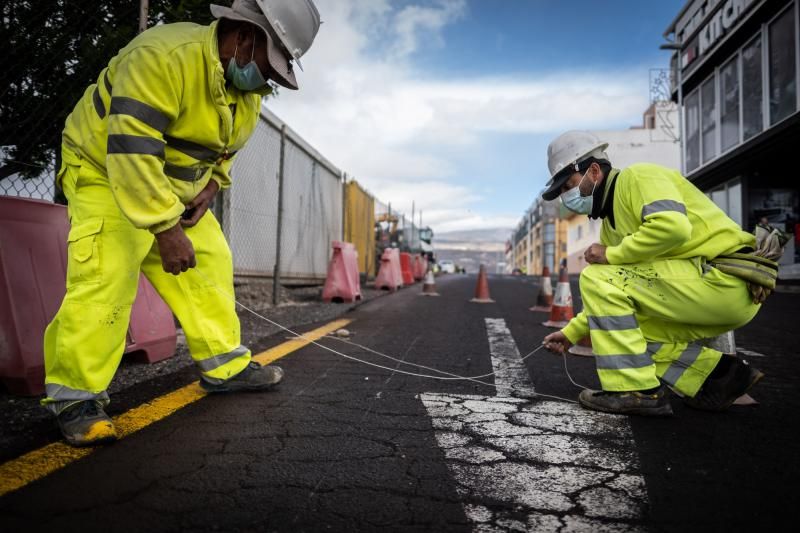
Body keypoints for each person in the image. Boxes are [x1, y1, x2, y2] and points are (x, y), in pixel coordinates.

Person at [43, 0, 321, 446]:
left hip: (171, 187)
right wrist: (166, 229)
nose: (268, 78)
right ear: (246, 37)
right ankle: (75, 398)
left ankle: (224, 365)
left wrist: (211, 188)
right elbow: (131, 148)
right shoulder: (162, 56)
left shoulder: (243, 93)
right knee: (107, 273)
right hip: (105, 170)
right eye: (270, 65)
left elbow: (224, 151)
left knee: (210, 260)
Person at [541, 130, 768, 416]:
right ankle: (718, 378)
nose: (566, 197)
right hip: (708, 292)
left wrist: (610, 255)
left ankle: (637, 392)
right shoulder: (610, 225)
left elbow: (672, 227)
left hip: (726, 281)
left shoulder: (639, 177)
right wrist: (572, 332)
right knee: (619, 333)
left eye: (568, 186)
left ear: (594, 171)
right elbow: (612, 300)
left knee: (594, 275)